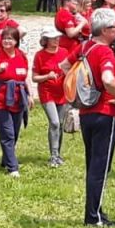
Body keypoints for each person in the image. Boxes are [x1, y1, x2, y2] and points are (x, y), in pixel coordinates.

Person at [79, 8, 115, 226]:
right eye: (114, 27)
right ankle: (94, 216)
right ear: (106, 30)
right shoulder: (104, 51)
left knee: (93, 165)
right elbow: (108, 79)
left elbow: (64, 66)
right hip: (105, 113)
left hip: (86, 112)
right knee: (101, 167)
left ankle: (94, 210)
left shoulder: (84, 47)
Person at [0, 26, 29, 177]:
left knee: (14, 132)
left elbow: (24, 77)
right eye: (5, 38)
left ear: (16, 41)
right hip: (1, 100)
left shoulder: (21, 55)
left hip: (18, 99)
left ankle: (6, 159)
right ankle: (12, 168)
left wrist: (30, 94)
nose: (7, 41)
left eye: (10, 39)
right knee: (7, 133)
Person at [32, 28, 69, 167]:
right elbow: (35, 78)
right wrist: (47, 76)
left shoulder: (64, 52)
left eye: (57, 37)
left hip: (62, 92)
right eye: (53, 38)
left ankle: (57, 154)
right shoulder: (39, 55)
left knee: (60, 123)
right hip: (47, 92)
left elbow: (70, 69)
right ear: (46, 40)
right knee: (54, 122)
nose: (56, 40)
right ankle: (53, 155)